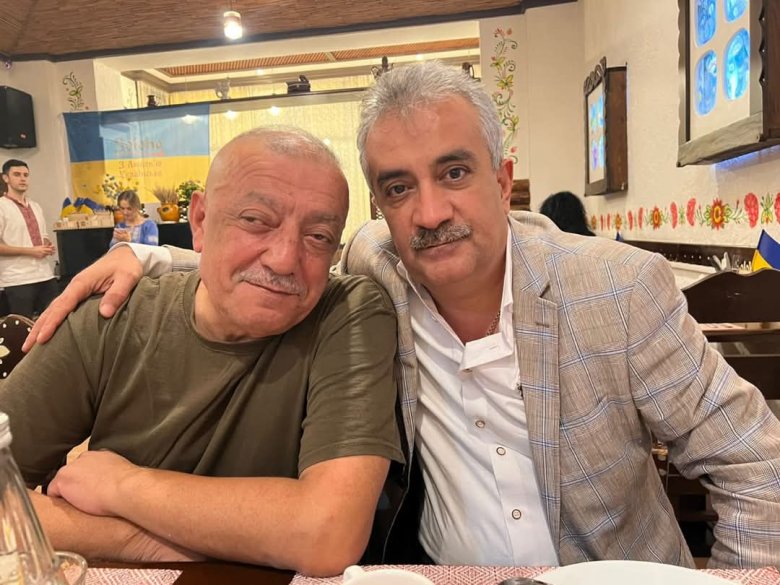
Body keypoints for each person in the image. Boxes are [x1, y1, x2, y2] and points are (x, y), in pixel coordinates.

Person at [26, 62, 780, 569]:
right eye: (397, 187)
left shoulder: (618, 289)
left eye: (453, 172)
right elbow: (277, 265)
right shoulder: (375, 270)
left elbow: (758, 464)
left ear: (502, 179)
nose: (429, 212)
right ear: (380, 206)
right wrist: (152, 257)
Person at [3, 127, 403, 576]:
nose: (284, 259)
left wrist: (123, 486)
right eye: (255, 220)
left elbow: (327, 534)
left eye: (319, 236)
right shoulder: (110, 317)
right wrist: (140, 541)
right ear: (200, 221)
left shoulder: (347, 313)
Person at [0, 159, 58, 318]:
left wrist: (47, 246)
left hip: (45, 274)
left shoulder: (35, 206)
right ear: (6, 178)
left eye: (26, 175)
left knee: (55, 320)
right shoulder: (2, 207)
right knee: (23, 326)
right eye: (17, 174)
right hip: (17, 278)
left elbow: (42, 236)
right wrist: (30, 251)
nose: (22, 179)